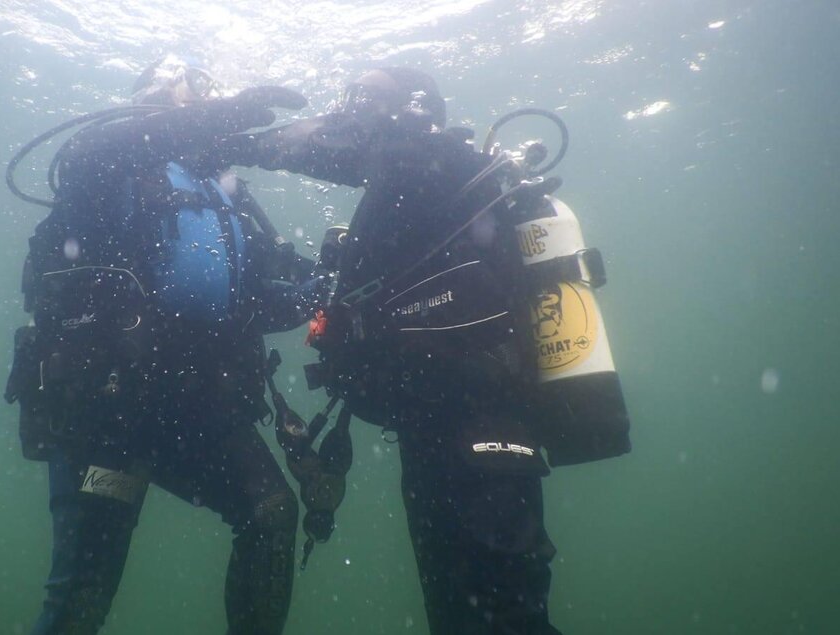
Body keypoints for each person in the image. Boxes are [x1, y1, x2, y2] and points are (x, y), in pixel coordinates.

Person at [224, 67, 632, 634]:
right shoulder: (425, 185)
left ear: (402, 110)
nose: (346, 111)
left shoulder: (420, 159)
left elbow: (332, 148)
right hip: (438, 431)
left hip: (477, 429)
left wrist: (237, 142)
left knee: (501, 614)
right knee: (463, 613)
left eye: (360, 99)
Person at [3, 55, 320, 635]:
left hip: (200, 406)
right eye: (190, 86)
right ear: (147, 95)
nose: (205, 95)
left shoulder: (226, 197)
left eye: (209, 87)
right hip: (108, 407)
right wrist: (217, 115)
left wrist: (328, 289)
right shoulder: (100, 159)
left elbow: (254, 303)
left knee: (271, 513)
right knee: (83, 595)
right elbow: (111, 147)